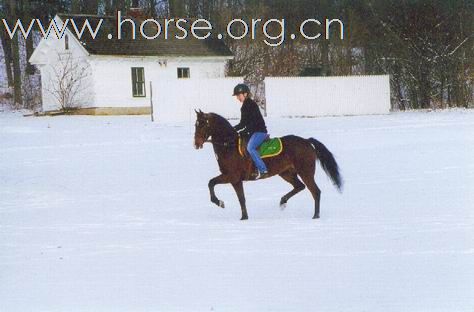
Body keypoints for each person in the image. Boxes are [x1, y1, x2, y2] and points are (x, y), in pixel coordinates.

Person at [232, 83, 269, 179]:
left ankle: (263, 170)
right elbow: (243, 123)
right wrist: (232, 129)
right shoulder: (244, 107)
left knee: (250, 148)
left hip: (260, 132)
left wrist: (244, 132)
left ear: (245, 94)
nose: (237, 98)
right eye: (236, 96)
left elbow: (253, 123)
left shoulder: (251, 105)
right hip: (252, 132)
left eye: (239, 95)